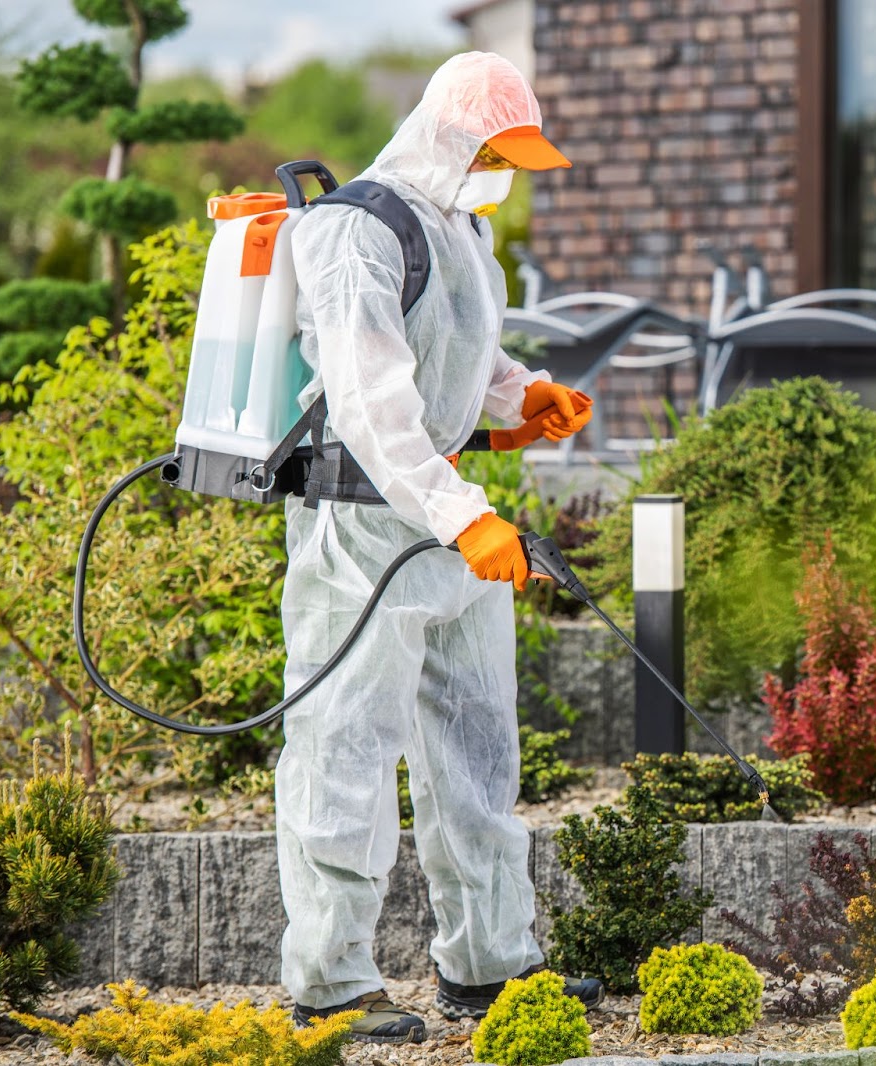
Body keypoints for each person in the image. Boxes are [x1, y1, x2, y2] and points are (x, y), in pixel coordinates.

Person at [277, 52, 602, 1044]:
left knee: (476, 741)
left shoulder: (460, 227)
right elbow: (372, 401)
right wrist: (464, 515)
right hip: (362, 522)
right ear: (453, 136)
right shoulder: (352, 232)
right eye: (496, 153)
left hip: (445, 509)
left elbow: (459, 347)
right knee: (345, 743)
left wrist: (521, 395)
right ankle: (329, 979)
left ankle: (489, 959)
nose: (506, 173)